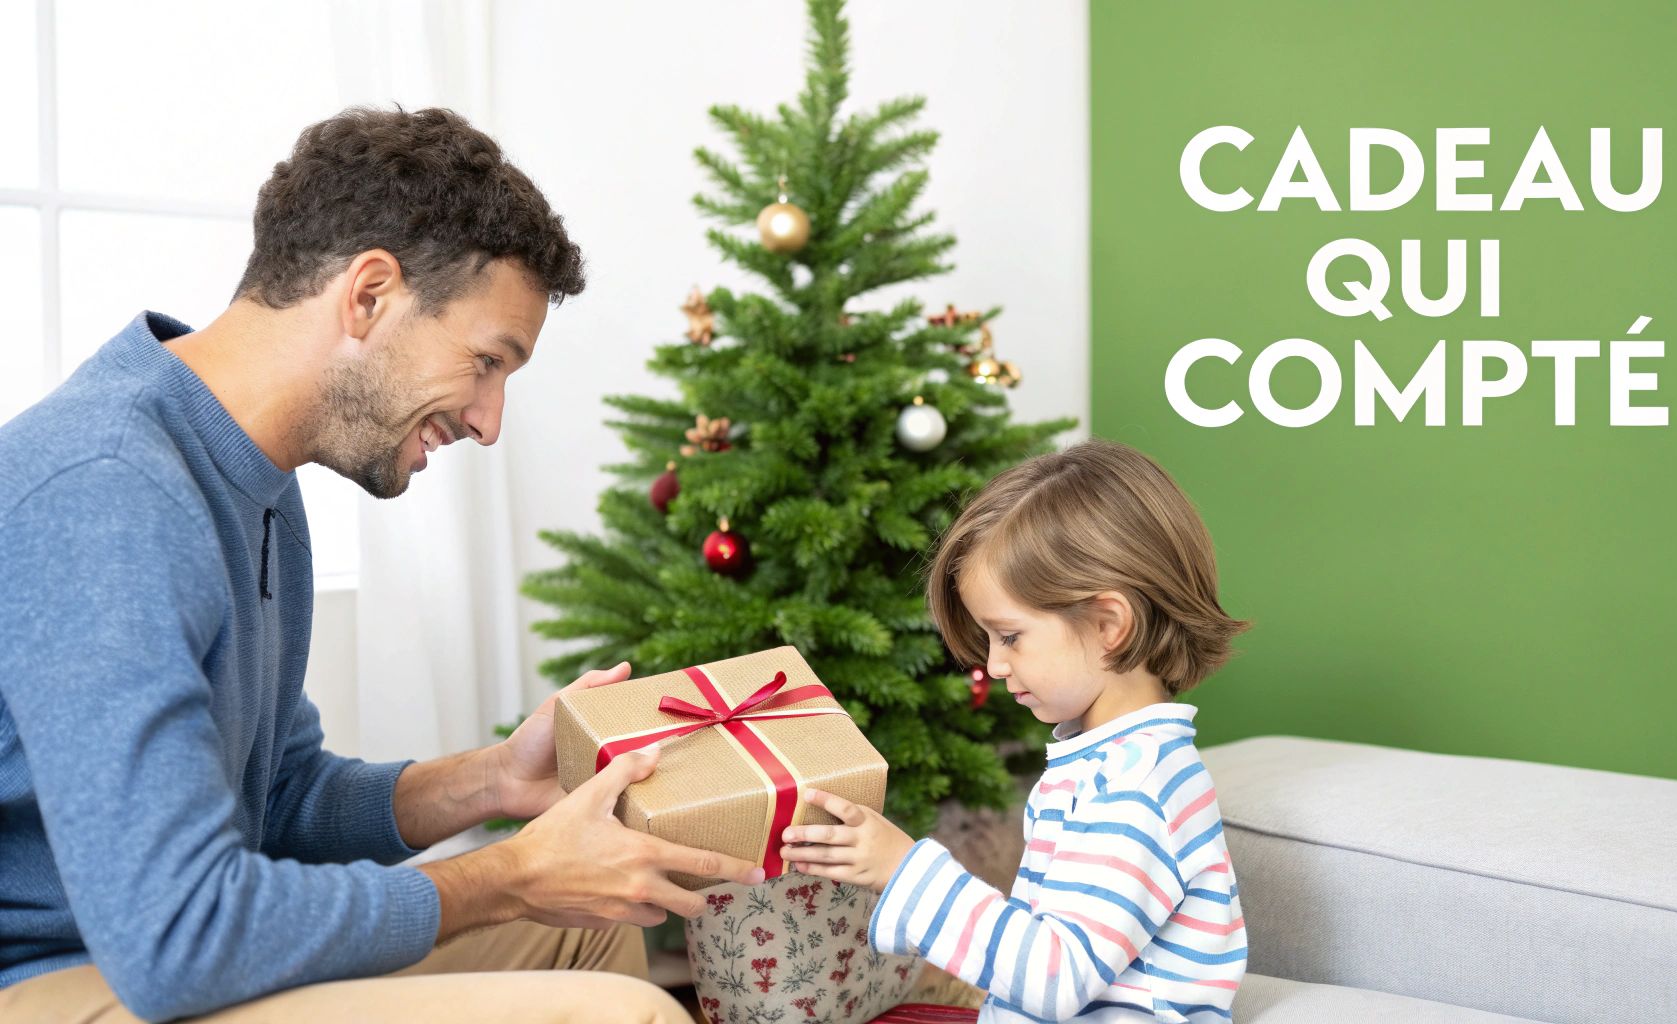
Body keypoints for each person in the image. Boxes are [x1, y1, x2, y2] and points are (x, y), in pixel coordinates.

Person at [0, 107, 761, 1023]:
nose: (489, 420)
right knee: (618, 1010)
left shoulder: (255, 480)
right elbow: (179, 932)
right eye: (486, 361)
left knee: (586, 930)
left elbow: (278, 797)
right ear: (369, 294)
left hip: (149, 954)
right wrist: (514, 872)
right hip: (59, 980)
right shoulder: (109, 492)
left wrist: (492, 781)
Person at [780, 438, 1251, 1022]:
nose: (994, 665)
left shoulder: (1136, 785)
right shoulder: (1102, 764)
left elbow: (1058, 979)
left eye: (1009, 636)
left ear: (1109, 626)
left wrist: (904, 870)